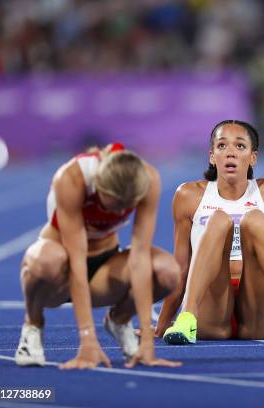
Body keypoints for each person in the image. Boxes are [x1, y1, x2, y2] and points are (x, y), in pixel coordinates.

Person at [156, 120, 264, 344]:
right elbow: (181, 267)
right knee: (219, 219)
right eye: (222, 146)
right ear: (212, 156)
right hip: (211, 306)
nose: (230, 153)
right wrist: (163, 324)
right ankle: (186, 319)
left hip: (258, 307)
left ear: (252, 157)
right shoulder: (188, 196)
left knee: (255, 219)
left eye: (239, 146)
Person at [16, 143, 181, 369]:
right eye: (114, 205)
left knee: (168, 271)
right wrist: (87, 340)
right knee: (47, 261)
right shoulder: (72, 178)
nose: (118, 213)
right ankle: (32, 325)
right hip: (59, 273)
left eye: (126, 207)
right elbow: (76, 262)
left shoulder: (147, 180)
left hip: (106, 264)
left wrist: (147, 343)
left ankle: (119, 320)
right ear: (100, 187)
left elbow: (140, 258)